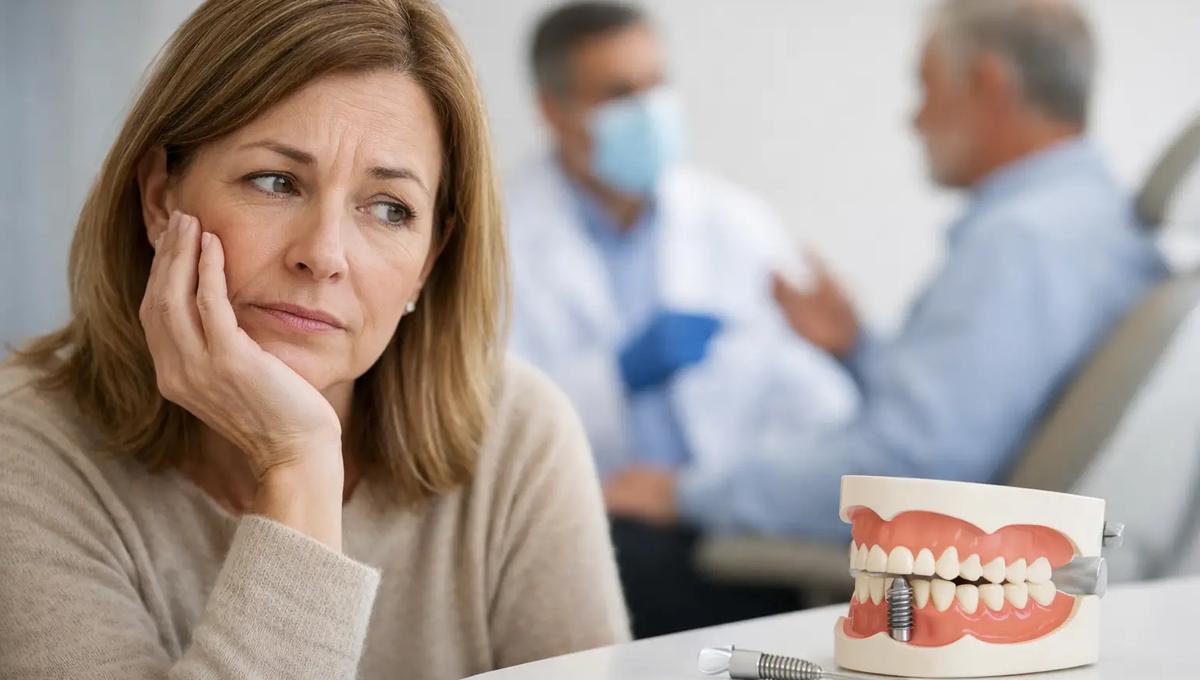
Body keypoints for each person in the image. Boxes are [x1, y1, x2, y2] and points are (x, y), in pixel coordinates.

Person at [0, 1, 629, 677]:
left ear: (429, 257)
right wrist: (297, 466)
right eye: (275, 182)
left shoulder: (518, 434)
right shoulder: (26, 452)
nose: (324, 254)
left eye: (389, 209)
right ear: (161, 199)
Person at [603, 0, 1167, 537]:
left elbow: (909, 473)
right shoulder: (1085, 220)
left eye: (927, 87)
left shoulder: (1024, 245)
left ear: (988, 85)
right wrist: (856, 349)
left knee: (621, 543)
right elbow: (960, 421)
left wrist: (687, 494)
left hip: (903, 574)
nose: (914, 118)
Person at [505, 1, 858, 636]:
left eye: (656, 85)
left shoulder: (734, 223)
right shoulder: (499, 239)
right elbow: (484, 417)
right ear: (553, 111)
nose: (648, 111)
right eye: (618, 93)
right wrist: (613, 379)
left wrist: (730, 483)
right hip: (589, 515)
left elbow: (815, 400)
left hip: (724, 514)